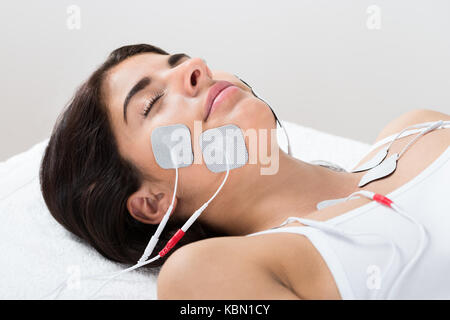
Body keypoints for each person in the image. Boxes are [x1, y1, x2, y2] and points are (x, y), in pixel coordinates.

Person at [40, 43, 450, 299]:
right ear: (153, 202)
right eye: (151, 103)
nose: (195, 67)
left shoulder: (416, 130)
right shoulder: (205, 273)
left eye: (181, 63)